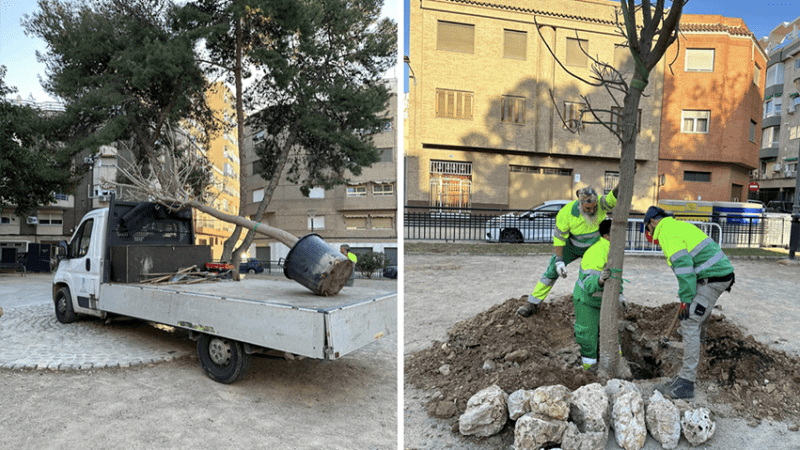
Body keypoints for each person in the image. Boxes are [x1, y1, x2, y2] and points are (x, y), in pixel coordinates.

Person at [644, 206, 735, 399]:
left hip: (714, 277)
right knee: (698, 312)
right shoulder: (675, 226)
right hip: (715, 273)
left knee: (690, 320)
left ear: (652, 221)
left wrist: (685, 300)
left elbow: (685, 270)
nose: (650, 234)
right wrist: (688, 296)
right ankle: (697, 344)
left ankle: (686, 383)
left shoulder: (667, 233)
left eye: (648, 228)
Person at [517, 184, 619, 317]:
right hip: (571, 246)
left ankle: (601, 305)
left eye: (594, 207)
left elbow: (613, 196)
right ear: (580, 204)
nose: (593, 211)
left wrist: (623, 180)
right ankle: (533, 303)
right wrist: (559, 261)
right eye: (588, 208)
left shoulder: (601, 203)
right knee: (552, 271)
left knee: (597, 273)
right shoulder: (566, 213)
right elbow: (559, 239)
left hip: (593, 247)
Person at [572, 219, 627, 373]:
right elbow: (590, 285)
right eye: (619, 234)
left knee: (611, 332)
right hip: (587, 302)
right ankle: (589, 369)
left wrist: (620, 295)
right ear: (607, 236)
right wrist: (600, 279)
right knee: (588, 335)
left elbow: (616, 277)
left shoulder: (613, 251)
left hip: (603, 302)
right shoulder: (596, 253)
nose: (624, 238)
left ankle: (617, 365)